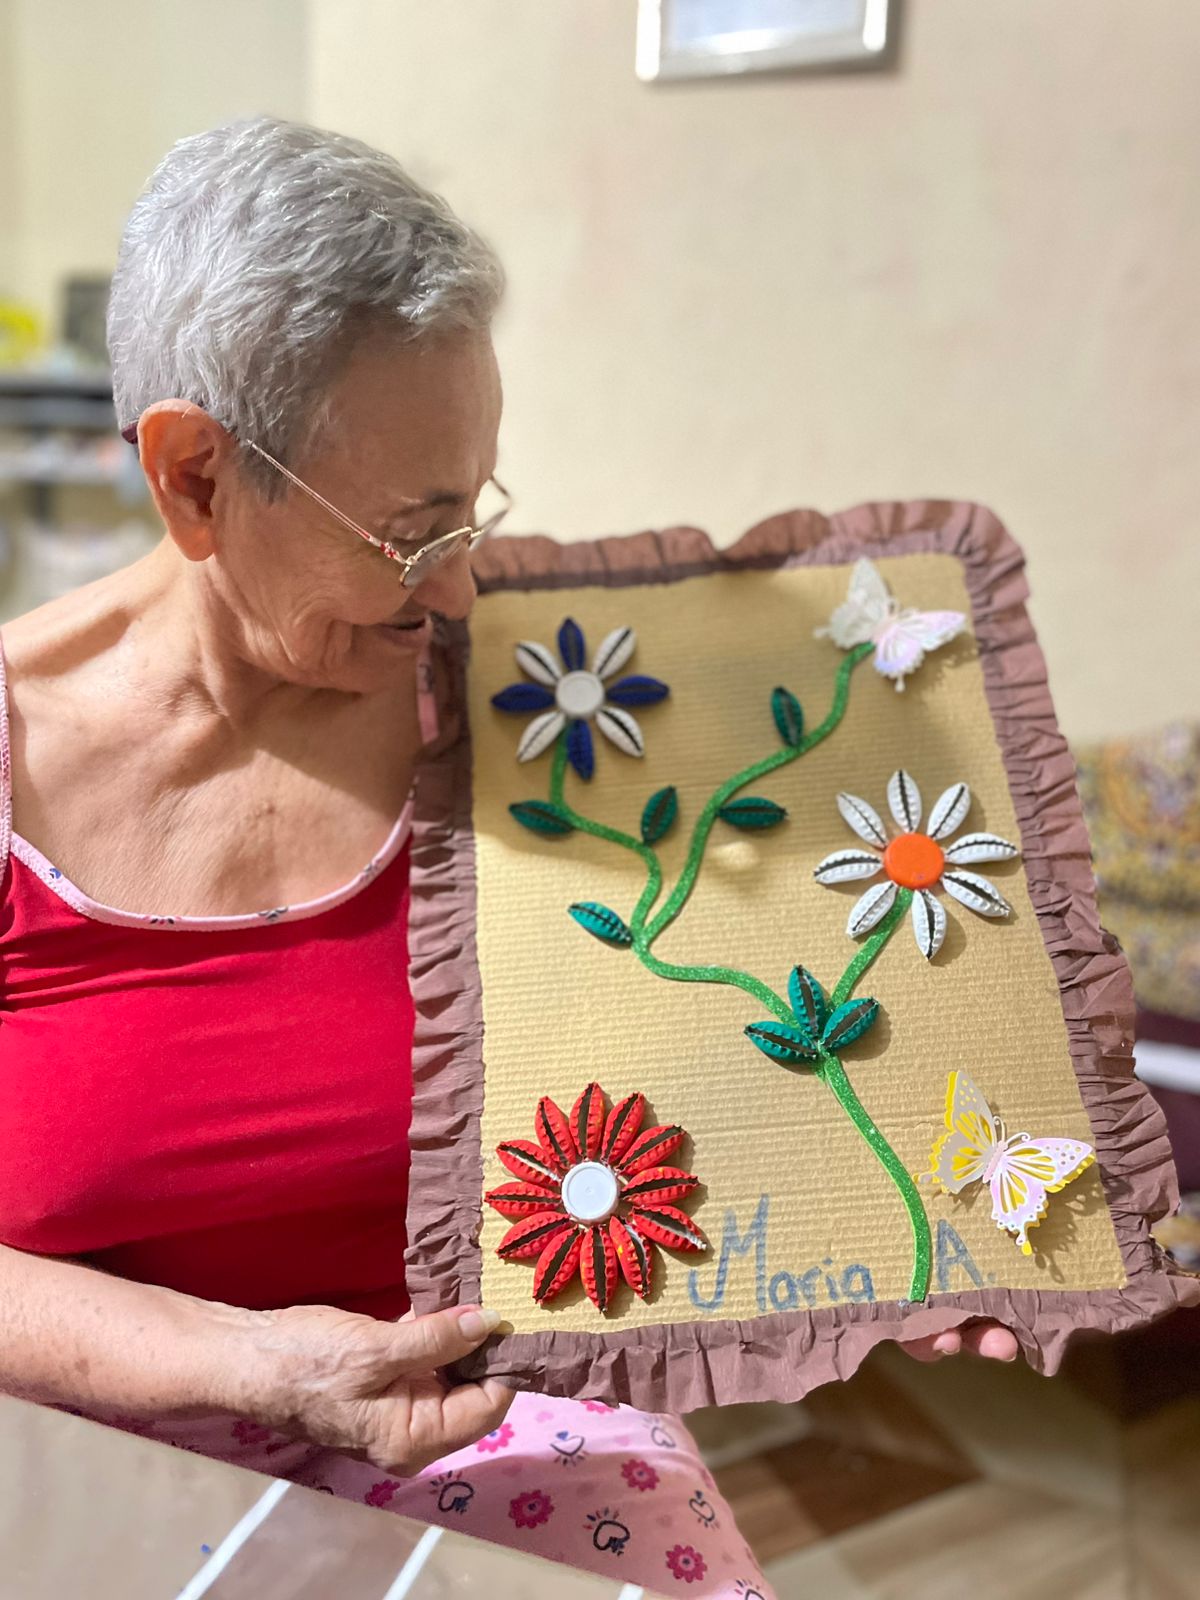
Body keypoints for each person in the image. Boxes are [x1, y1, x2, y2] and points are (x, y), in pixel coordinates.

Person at [0, 118, 1017, 1596]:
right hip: (68, 1456)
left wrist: (896, 1220)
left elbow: (712, 1005)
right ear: (195, 478)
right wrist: (259, 1366)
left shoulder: (533, 707)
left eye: (473, 509)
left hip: (466, 1429)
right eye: (412, 534)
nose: (465, 587)